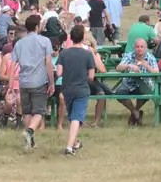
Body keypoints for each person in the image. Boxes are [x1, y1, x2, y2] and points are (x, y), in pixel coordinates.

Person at [55, 25, 103, 156]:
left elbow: (59, 73)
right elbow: (91, 76)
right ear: (82, 37)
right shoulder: (88, 54)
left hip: (67, 89)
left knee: (72, 117)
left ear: (71, 37)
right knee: (76, 118)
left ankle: (75, 143)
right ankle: (69, 147)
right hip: (82, 89)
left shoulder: (64, 53)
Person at [11, 13, 55, 149]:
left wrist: (10, 83)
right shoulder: (45, 41)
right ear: (36, 27)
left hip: (24, 81)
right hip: (39, 81)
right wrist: (51, 82)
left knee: (27, 112)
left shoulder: (19, 43)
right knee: (40, 112)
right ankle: (29, 132)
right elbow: (48, 62)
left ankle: (29, 142)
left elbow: (13, 64)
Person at [113, 39, 161, 126]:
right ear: (134, 47)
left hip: (144, 84)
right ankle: (135, 112)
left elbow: (156, 72)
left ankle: (136, 110)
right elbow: (118, 68)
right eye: (137, 47)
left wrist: (147, 66)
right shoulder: (129, 56)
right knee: (119, 94)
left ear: (145, 48)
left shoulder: (150, 57)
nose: (139, 49)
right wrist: (128, 65)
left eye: (142, 47)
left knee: (146, 93)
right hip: (128, 83)